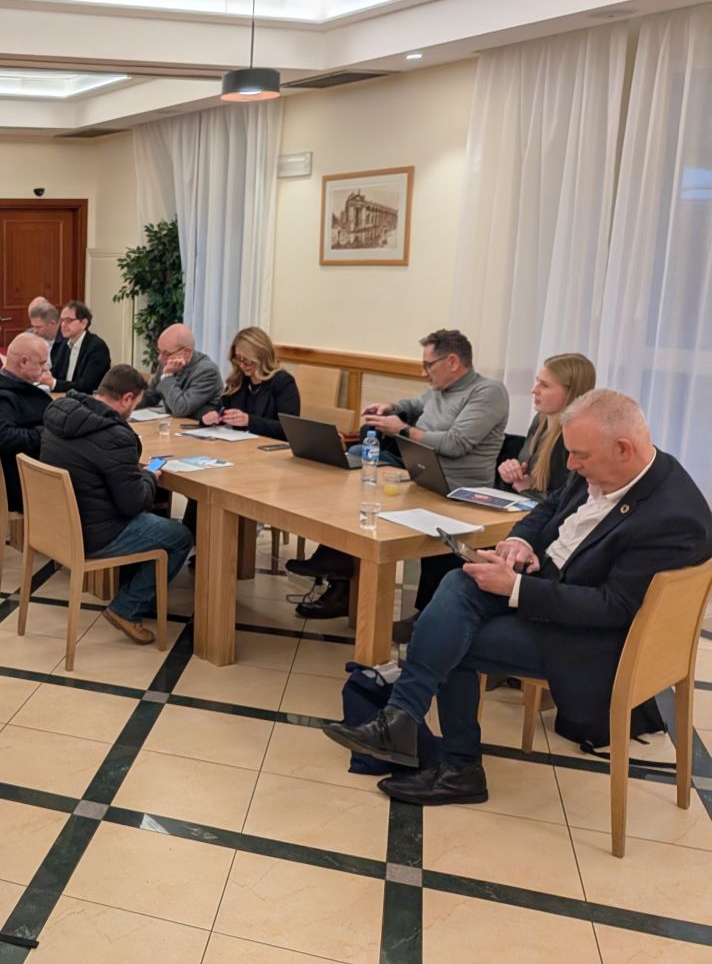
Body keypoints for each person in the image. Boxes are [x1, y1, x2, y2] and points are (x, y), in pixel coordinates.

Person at [323, 390, 712, 806]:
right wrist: (520, 542)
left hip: (592, 642)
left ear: (624, 448)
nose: (570, 465)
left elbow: (613, 608)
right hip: (552, 591)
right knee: (460, 581)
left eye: (579, 456)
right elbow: (549, 508)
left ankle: (457, 766)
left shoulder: (673, 517)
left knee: (453, 639)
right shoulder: (605, 466)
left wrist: (516, 588)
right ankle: (402, 719)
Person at [290, 329, 510, 622]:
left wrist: (403, 430)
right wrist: (392, 408)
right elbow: (415, 404)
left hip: (455, 488)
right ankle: (339, 565)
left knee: (367, 480)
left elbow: (455, 444)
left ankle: (340, 570)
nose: (423, 373)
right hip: (422, 472)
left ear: (453, 362)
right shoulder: (440, 388)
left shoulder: (487, 392)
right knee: (356, 461)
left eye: (428, 365)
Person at [39, 365, 193, 645]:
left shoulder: (60, 411)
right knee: (180, 536)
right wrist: (149, 476)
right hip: (94, 533)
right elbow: (134, 503)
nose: (132, 412)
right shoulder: (114, 436)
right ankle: (127, 606)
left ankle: (137, 594)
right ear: (126, 398)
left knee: (151, 524)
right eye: (135, 404)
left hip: (55, 526)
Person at [0, 333, 52, 512]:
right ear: (23, 362)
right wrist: (44, 434)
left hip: (11, 476)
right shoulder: (3, 398)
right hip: (19, 487)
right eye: (42, 363)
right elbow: (1, 437)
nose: (46, 369)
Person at [498, 353, 595, 502]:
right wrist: (510, 473)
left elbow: (567, 500)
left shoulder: (576, 436)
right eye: (537, 381)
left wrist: (527, 491)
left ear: (571, 392)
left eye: (544, 385)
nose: (534, 390)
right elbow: (524, 479)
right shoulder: (540, 421)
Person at [201, 327, 300, 439]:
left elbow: (288, 429)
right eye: (238, 358)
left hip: (267, 446)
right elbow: (220, 410)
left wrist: (249, 421)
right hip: (238, 444)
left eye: (246, 360)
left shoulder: (283, 382)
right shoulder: (238, 380)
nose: (242, 365)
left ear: (261, 357)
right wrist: (209, 419)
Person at [140, 324, 222, 420]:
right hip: (174, 424)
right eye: (159, 351)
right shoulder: (165, 363)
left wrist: (168, 376)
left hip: (198, 426)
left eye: (166, 353)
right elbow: (151, 396)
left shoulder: (207, 371)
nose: (160, 358)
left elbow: (181, 409)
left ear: (187, 352)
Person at [49, 301, 111, 395]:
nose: (63, 325)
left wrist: (54, 383)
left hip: (88, 400)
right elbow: (55, 372)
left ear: (83, 323)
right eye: (62, 320)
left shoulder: (97, 347)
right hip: (65, 398)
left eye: (68, 320)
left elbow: (86, 386)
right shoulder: (65, 344)